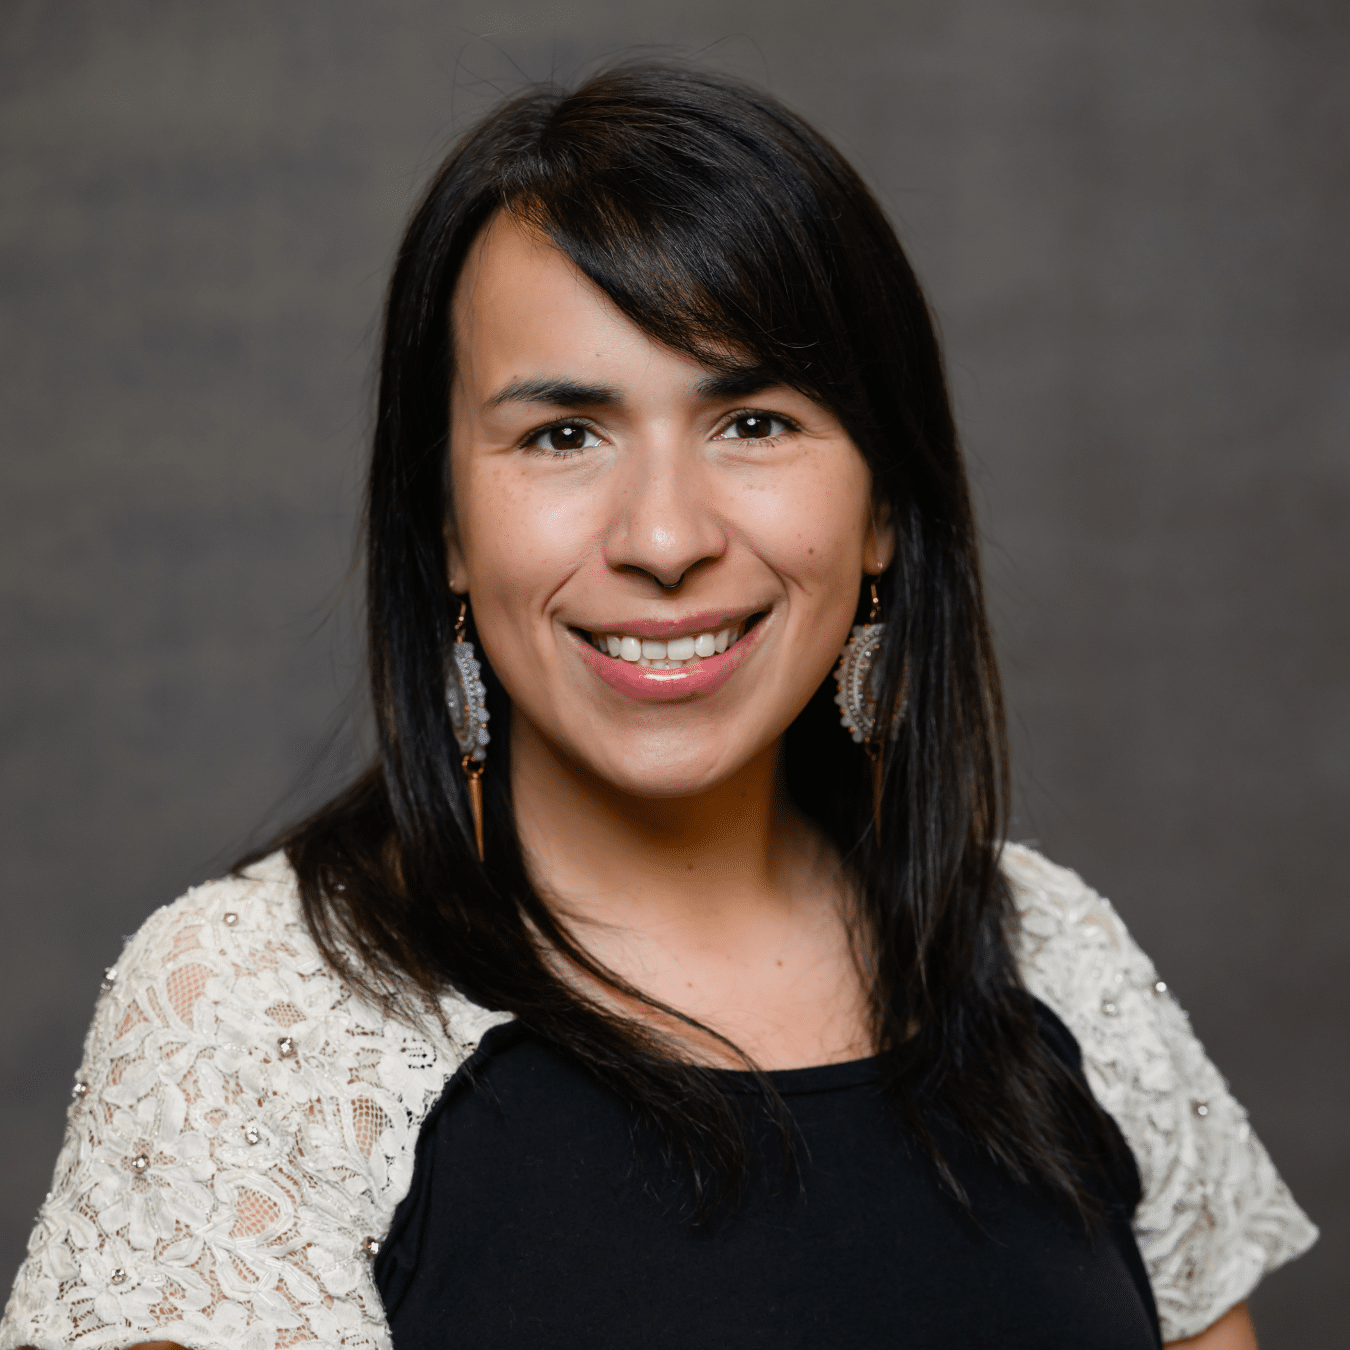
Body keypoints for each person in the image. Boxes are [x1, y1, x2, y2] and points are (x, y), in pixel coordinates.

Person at [1, 63, 1316, 1350]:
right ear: (443, 525)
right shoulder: (254, 1015)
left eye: (752, 422)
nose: (666, 537)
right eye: (562, 434)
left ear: (883, 509)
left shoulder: (1054, 959)